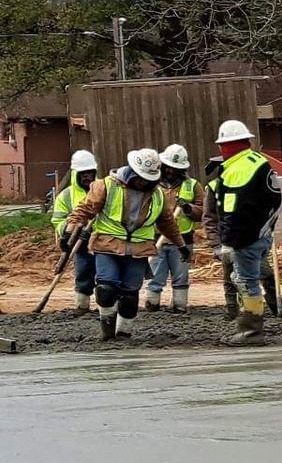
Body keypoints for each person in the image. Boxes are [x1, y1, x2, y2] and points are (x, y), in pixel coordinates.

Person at [62, 147, 184, 341]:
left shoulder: (157, 195)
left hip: (138, 250)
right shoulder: (106, 186)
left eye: (147, 179)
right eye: (140, 178)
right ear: (132, 171)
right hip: (107, 246)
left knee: (129, 296)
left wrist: (181, 245)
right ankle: (107, 331)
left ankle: (123, 333)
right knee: (106, 289)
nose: (143, 182)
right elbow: (84, 210)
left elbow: (167, 223)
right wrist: (68, 232)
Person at [213, 117, 282, 346]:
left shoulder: (238, 170)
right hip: (260, 235)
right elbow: (275, 201)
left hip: (246, 239)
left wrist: (228, 242)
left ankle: (251, 332)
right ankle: (248, 328)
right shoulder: (258, 162)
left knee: (246, 282)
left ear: (227, 145)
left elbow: (232, 212)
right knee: (244, 279)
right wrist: (266, 229)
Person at [143, 144, 199, 312]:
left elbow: (203, 211)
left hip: (183, 240)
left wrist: (188, 208)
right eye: (168, 167)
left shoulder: (192, 185)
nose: (170, 171)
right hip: (155, 239)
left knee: (180, 276)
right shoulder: (151, 185)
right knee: (155, 275)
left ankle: (179, 305)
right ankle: (152, 304)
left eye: (175, 169)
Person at [49, 149, 99, 313]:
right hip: (79, 243)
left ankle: (105, 308)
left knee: (105, 277)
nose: (87, 177)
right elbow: (58, 220)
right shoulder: (66, 196)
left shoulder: (103, 191)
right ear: (75, 174)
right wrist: (70, 229)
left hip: (102, 242)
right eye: (83, 173)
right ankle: (82, 305)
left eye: (90, 173)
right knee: (83, 273)